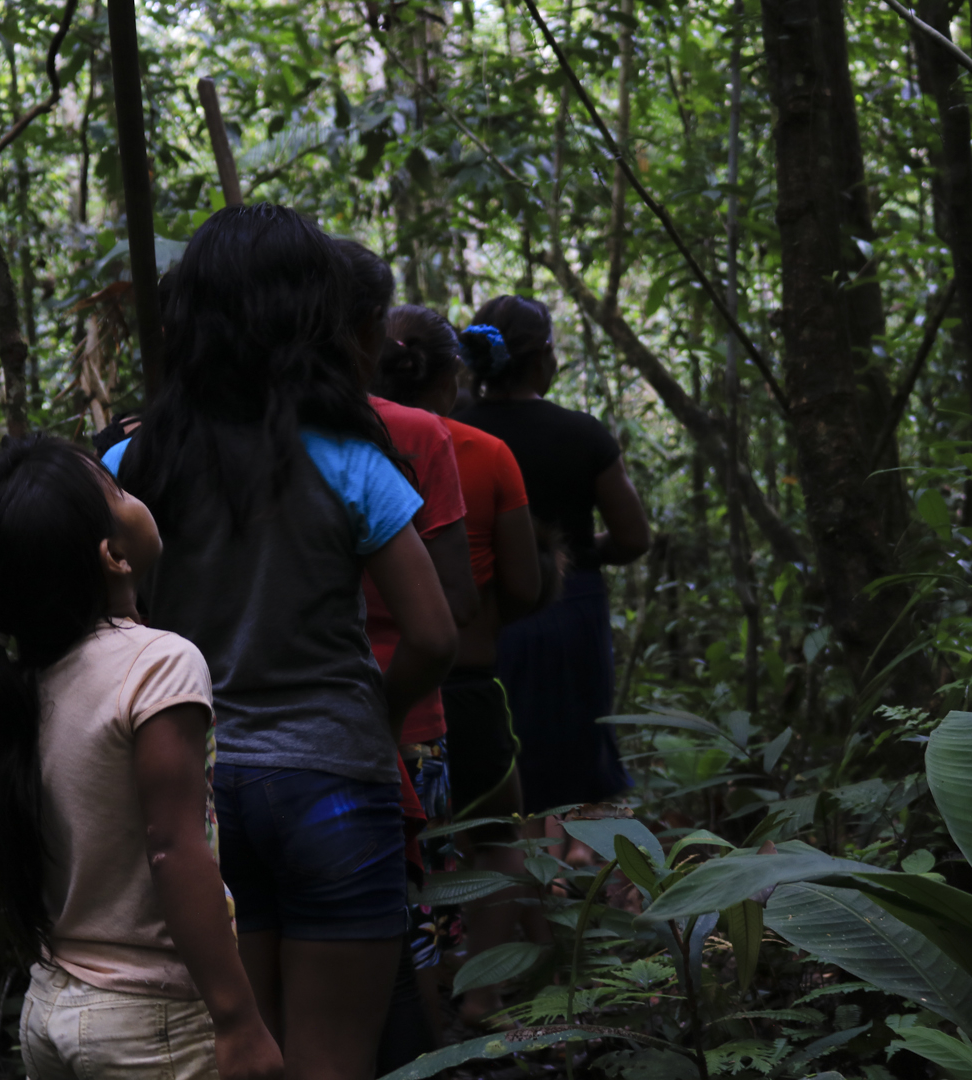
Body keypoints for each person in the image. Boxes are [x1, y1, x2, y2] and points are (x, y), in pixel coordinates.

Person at [103, 205, 457, 1080]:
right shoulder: (350, 460)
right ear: (312, 319)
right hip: (333, 781)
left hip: (196, 795)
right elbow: (434, 632)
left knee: (241, 1054)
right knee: (331, 1062)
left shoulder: (130, 470)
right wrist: (378, 713)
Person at [0, 435, 281, 1080]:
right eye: (117, 489)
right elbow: (173, 848)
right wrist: (238, 1020)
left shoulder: (24, 685)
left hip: (50, 1003)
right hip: (149, 1020)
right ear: (115, 556)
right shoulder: (159, 662)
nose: (132, 492)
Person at [375, 304, 547, 1027]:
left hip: (363, 687)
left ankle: (420, 1004)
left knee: (399, 859)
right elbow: (525, 586)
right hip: (460, 684)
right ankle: (481, 995)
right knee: (499, 837)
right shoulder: (480, 451)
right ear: (452, 377)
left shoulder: (334, 440)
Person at [336, 242, 473, 1065]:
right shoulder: (419, 434)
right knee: (416, 912)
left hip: (298, 723)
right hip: (406, 711)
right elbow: (451, 603)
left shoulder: (261, 434)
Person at [455, 296, 650, 823]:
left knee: (494, 756)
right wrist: (577, 554)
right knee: (577, 755)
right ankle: (578, 865)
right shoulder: (582, 434)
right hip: (570, 610)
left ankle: (505, 866)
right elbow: (633, 537)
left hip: (483, 610)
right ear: (543, 355)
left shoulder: (452, 432)